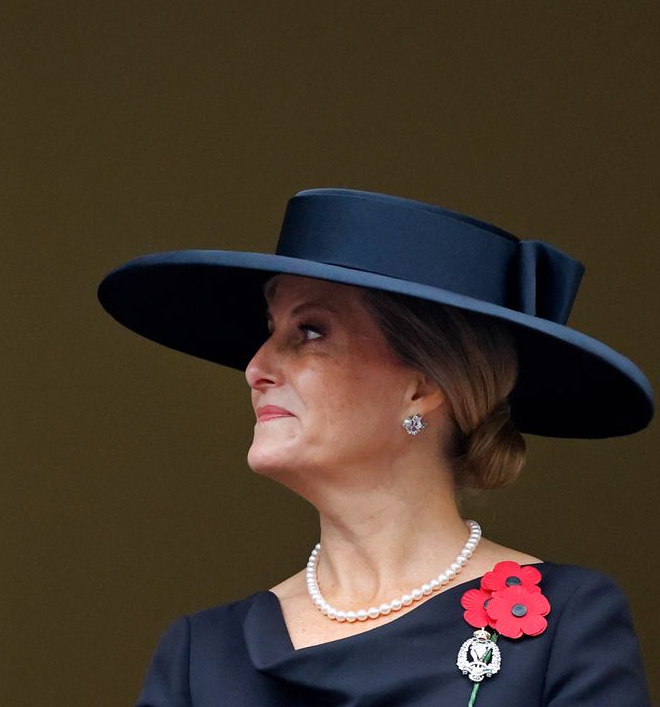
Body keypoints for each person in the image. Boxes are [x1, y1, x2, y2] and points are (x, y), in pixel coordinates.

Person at [98, 188, 653, 706]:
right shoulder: (200, 656)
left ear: (422, 385)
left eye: (310, 331)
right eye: (267, 329)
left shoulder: (567, 625)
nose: (255, 368)